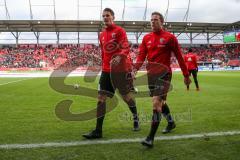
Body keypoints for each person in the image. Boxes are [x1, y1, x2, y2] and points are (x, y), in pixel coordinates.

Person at [133, 11, 191, 147]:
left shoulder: (170, 38)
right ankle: (171, 122)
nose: (153, 22)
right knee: (161, 103)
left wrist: (186, 75)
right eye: (151, 20)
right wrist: (135, 69)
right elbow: (141, 55)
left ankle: (150, 138)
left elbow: (179, 57)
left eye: (156, 19)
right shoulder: (146, 38)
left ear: (162, 22)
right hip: (151, 75)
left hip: (164, 75)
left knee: (156, 103)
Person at [82, 8, 140, 139]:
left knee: (126, 97)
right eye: (103, 16)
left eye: (107, 15)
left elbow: (126, 47)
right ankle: (98, 130)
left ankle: (136, 118)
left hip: (120, 71)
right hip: (106, 71)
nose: (105, 18)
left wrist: (120, 56)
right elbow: (103, 53)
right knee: (101, 98)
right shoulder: (101, 35)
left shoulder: (120, 31)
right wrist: (103, 65)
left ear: (113, 17)